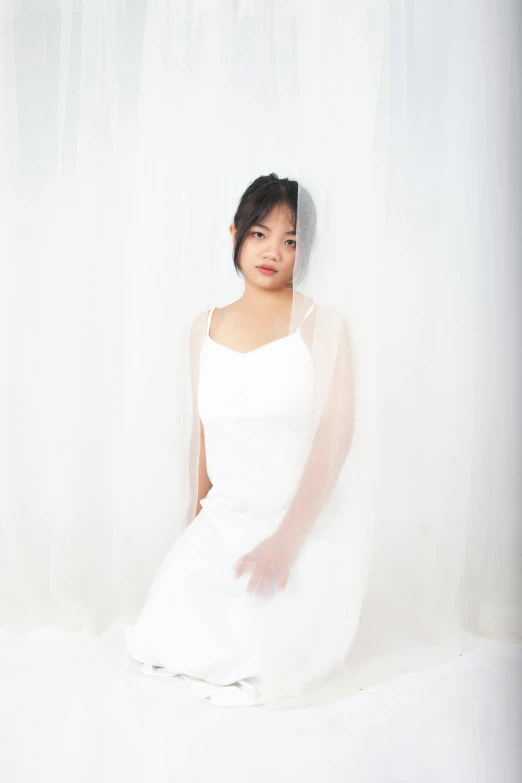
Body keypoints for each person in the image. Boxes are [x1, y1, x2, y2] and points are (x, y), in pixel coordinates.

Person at [125, 174, 357, 707]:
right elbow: (205, 431)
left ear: (307, 252)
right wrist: (194, 522)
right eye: (260, 233)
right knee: (162, 638)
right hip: (226, 519)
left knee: (258, 650)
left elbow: (335, 438)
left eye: (291, 239)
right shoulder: (203, 328)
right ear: (235, 233)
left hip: (303, 525)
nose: (273, 250)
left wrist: (286, 540)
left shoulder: (326, 326)